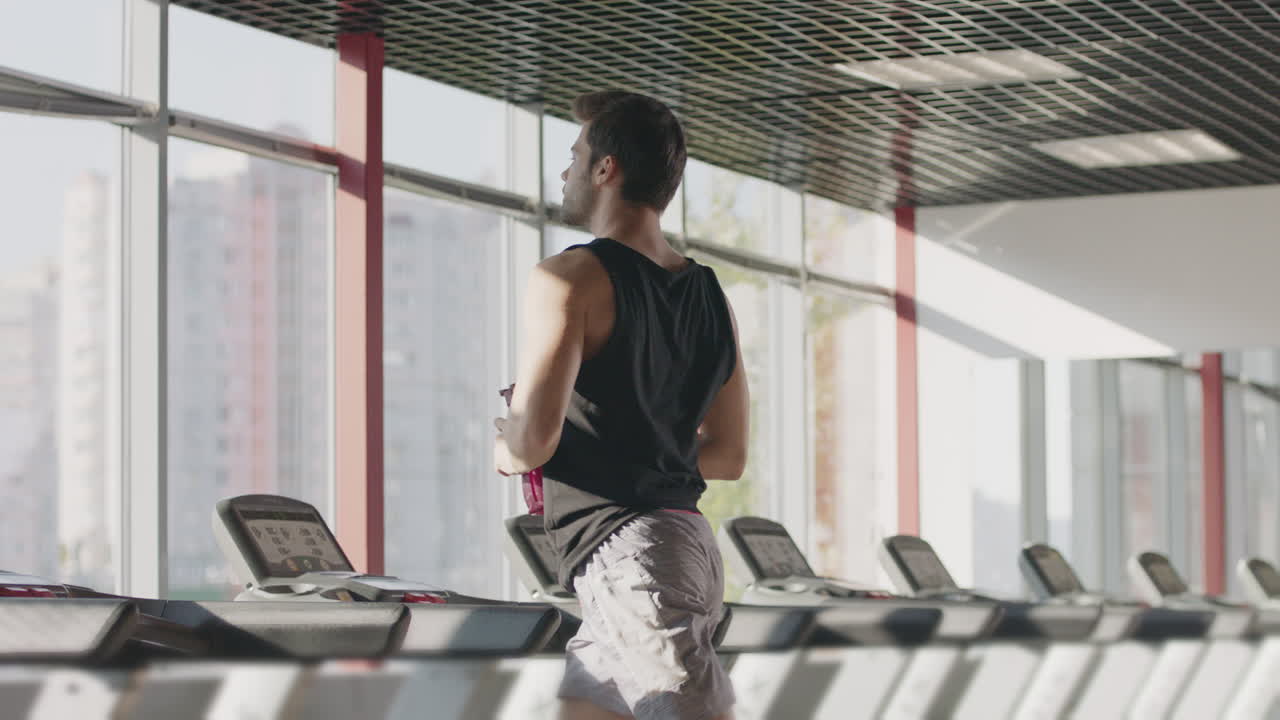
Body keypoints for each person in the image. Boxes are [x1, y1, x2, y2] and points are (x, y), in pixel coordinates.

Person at [492, 90, 749, 720]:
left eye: (576, 155)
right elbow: (729, 455)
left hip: (633, 557)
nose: (565, 171)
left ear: (607, 170)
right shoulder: (710, 293)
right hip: (678, 543)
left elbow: (533, 442)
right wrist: (643, 442)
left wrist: (505, 443)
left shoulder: (568, 277)